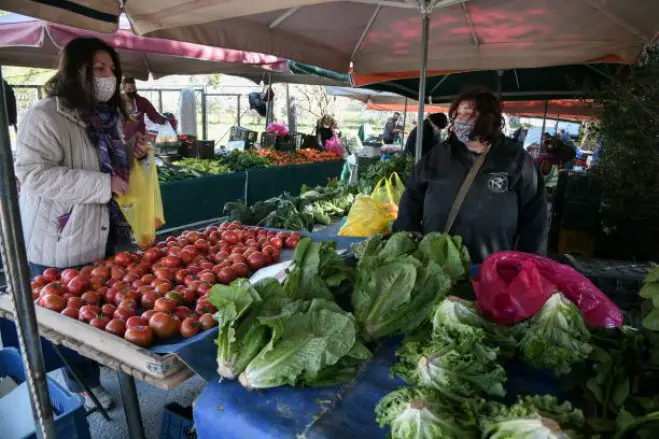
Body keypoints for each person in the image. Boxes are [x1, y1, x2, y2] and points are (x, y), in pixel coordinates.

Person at [14, 37, 148, 410]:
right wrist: (101, 185)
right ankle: (82, 387)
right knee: (70, 319)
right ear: (76, 72)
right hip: (61, 234)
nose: (108, 76)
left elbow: (108, 162)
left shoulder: (108, 116)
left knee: (97, 308)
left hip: (103, 229)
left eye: (111, 69)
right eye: (99, 69)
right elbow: (33, 174)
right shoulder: (46, 115)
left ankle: (93, 374)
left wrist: (131, 154)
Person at [393, 87, 547, 263]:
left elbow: (536, 220)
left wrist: (530, 264)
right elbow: (412, 196)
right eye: (457, 114)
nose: (460, 120)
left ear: (489, 117)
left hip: (492, 269)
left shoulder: (517, 161)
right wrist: (406, 232)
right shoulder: (438, 155)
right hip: (437, 266)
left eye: (467, 114)